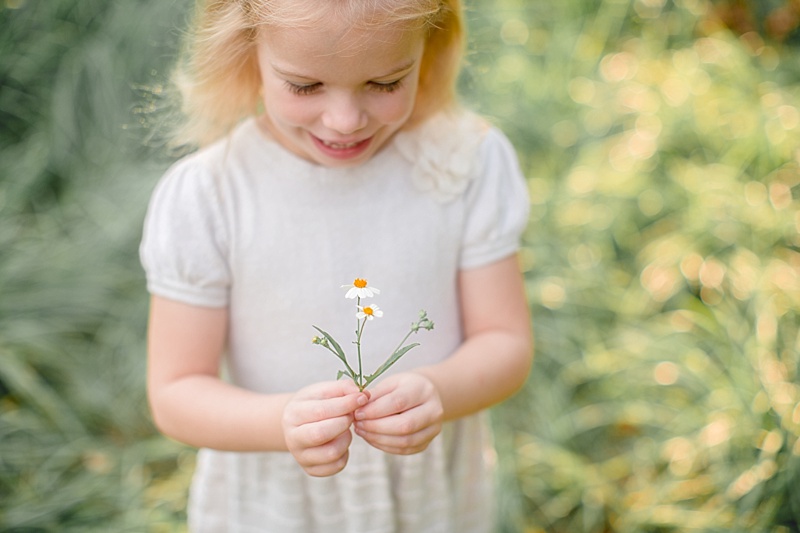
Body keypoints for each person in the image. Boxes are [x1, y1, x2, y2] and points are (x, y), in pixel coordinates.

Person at [139, 0, 533, 531]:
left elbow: (505, 342)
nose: (345, 121)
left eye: (386, 82)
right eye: (304, 87)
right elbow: (176, 391)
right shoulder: (211, 195)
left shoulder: (464, 164)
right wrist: (283, 423)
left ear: (430, 46)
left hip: (425, 500)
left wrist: (439, 391)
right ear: (244, 50)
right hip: (273, 506)